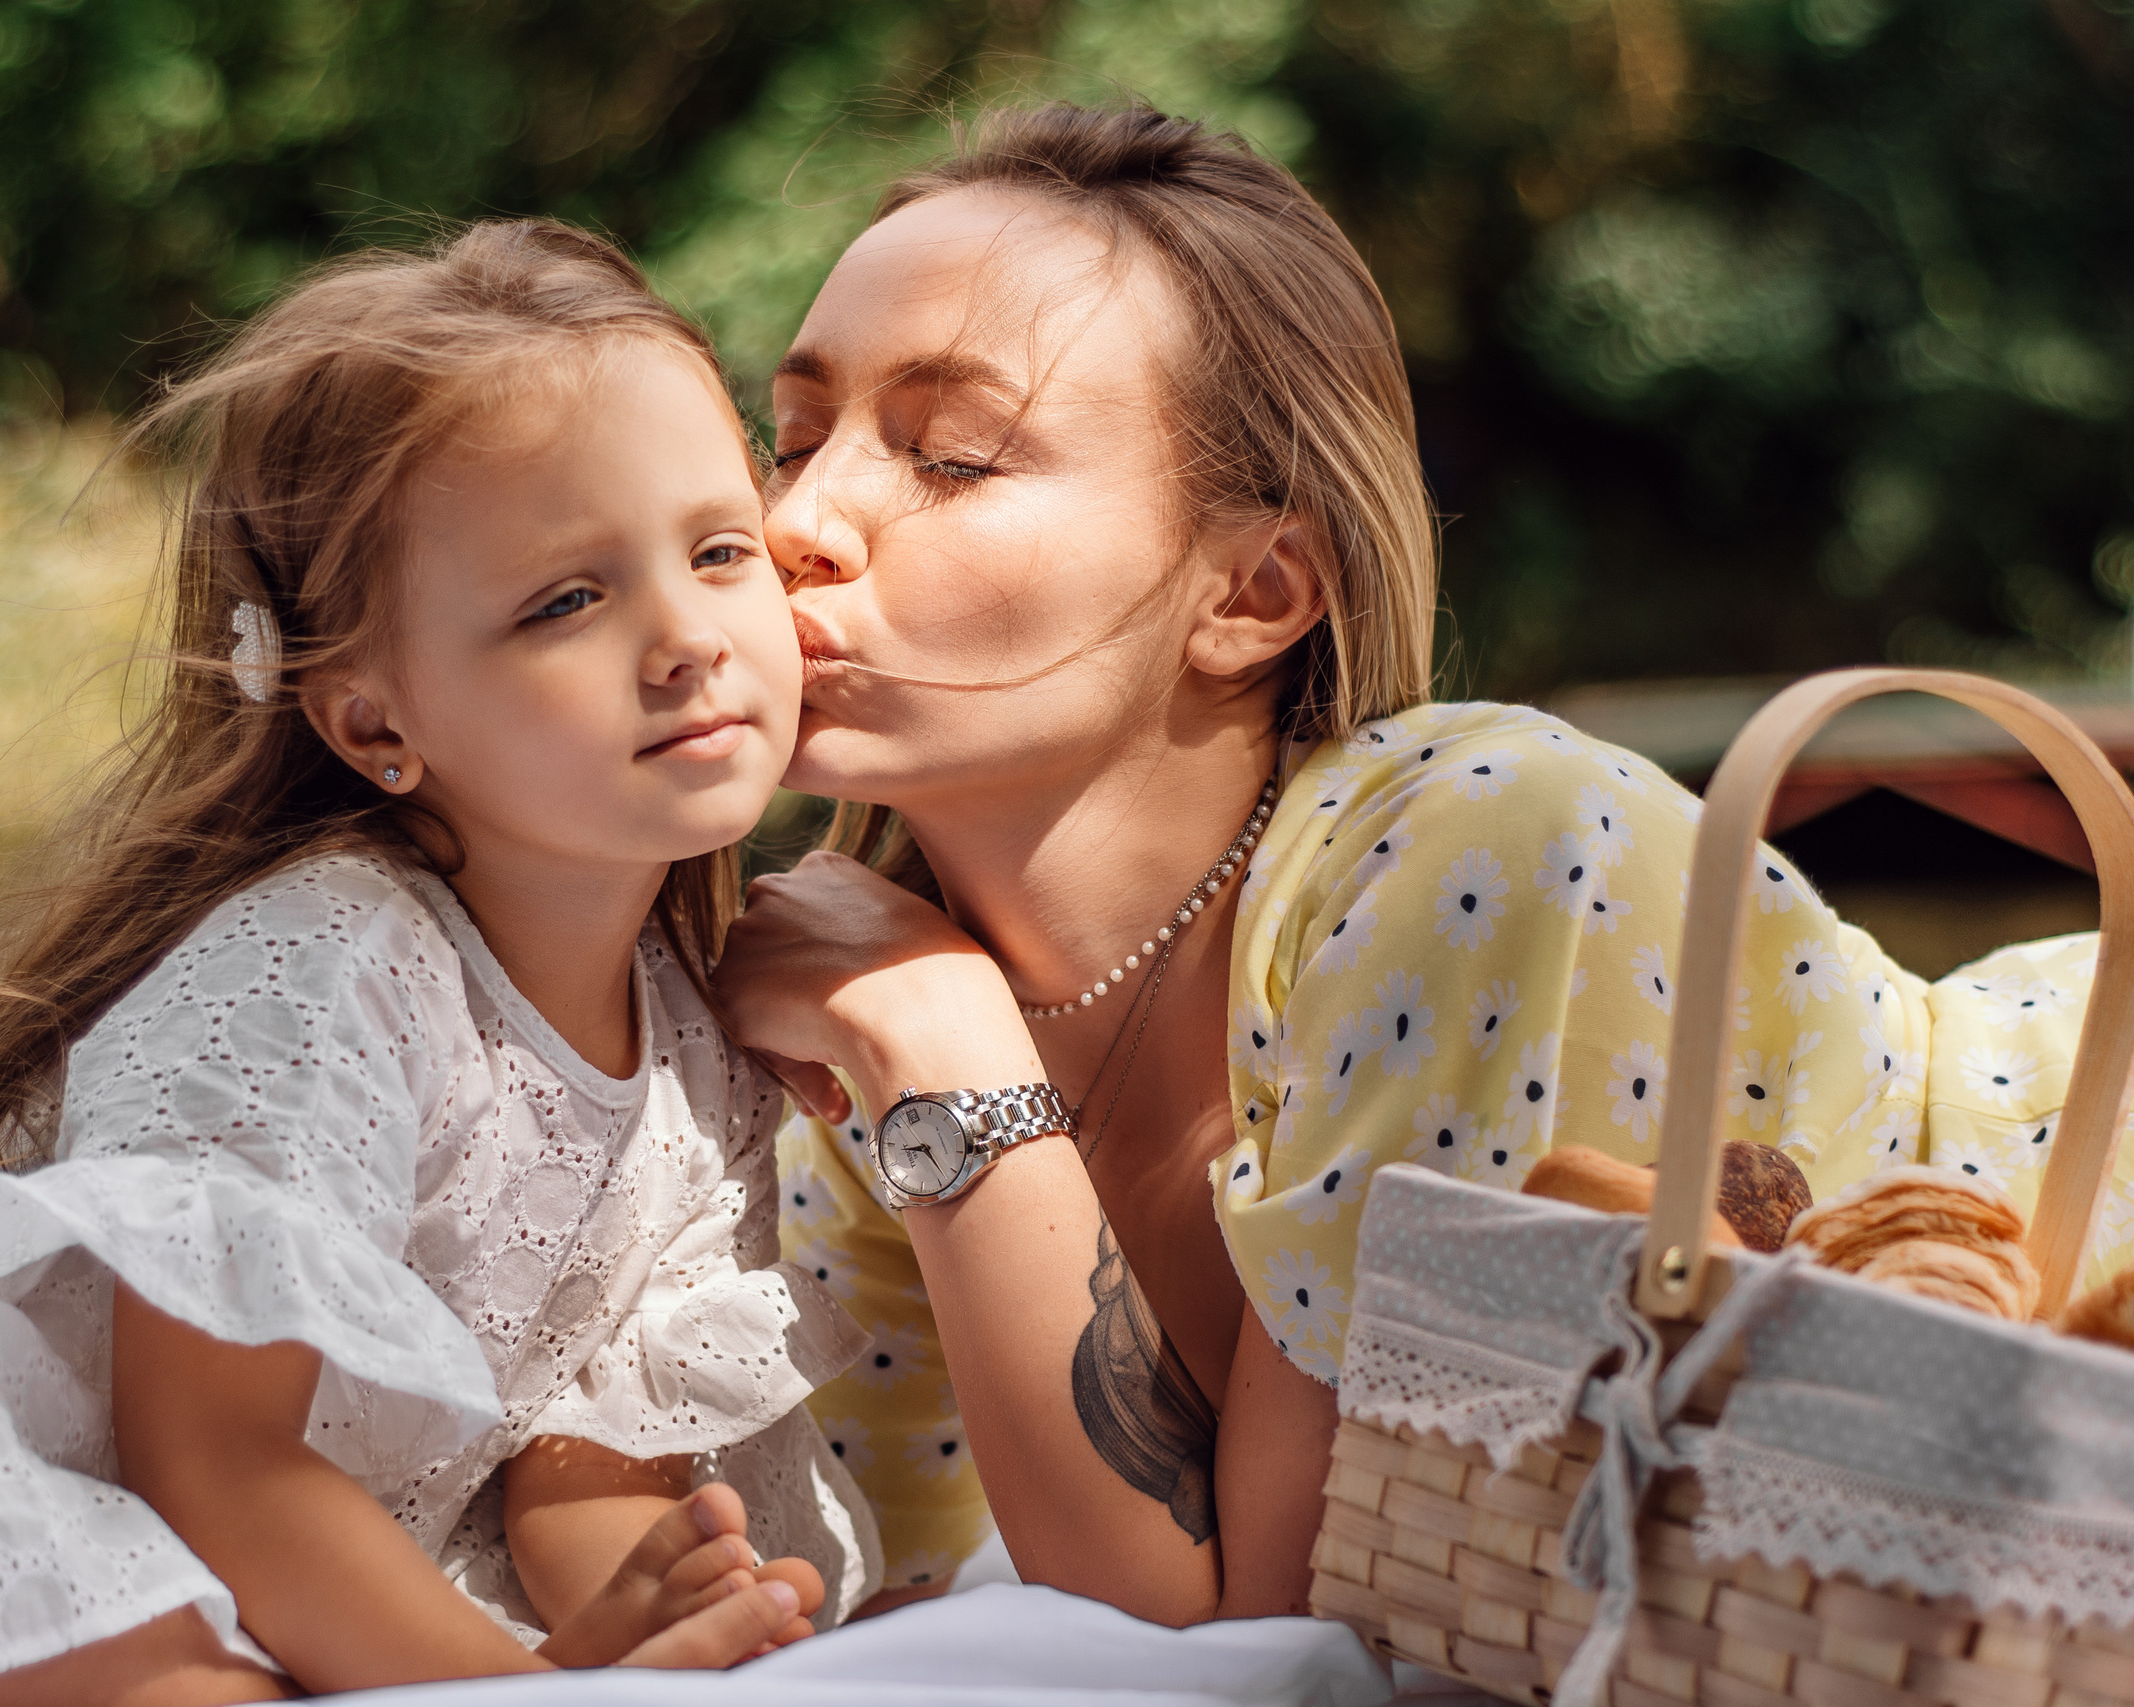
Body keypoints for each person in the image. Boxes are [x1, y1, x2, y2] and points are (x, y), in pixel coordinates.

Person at [711, 100, 2123, 1626]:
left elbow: (1272, 1625)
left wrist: (950, 1069)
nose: (798, 519)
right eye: (789, 440)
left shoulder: (1477, 848)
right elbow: (840, 1570)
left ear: (1252, 592)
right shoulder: (872, 982)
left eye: (951, 455)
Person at [0, 220, 879, 1707]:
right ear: (376, 721)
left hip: (273, 1555)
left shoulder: (695, 1028)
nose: (687, 639)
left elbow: (578, 1458)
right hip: (34, 1497)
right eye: (564, 602)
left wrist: (651, 1616)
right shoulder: (325, 972)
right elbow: (212, 1459)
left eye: (719, 552)